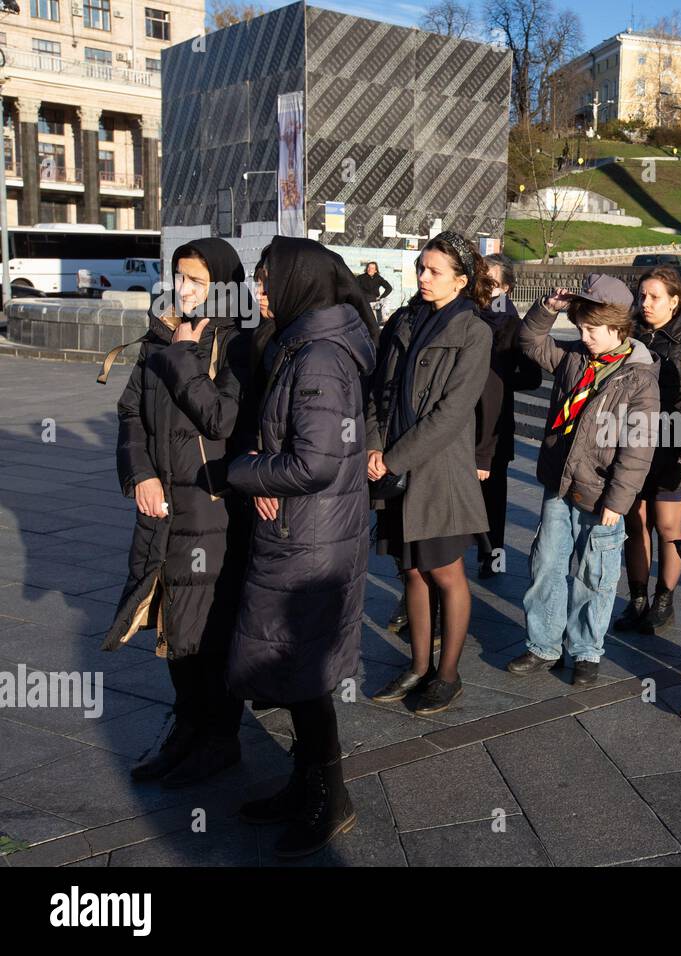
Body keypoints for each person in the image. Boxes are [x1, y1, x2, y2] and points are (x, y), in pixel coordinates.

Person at [225, 237, 377, 858]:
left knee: (306, 674)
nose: (259, 294)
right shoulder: (306, 343)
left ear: (298, 285)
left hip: (311, 537)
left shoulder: (316, 356)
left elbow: (313, 462)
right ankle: (306, 783)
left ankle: (329, 797)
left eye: (266, 282)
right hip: (308, 530)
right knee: (297, 669)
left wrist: (247, 470)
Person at [108, 238, 254, 789]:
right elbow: (130, 414)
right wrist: (139, 474)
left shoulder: (237, 344)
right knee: (168, 622)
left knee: (204, 631)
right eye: (179, 277)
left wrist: (186, 355)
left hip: (210, 509)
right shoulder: (160, 334)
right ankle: (187, 729)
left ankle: (218, 739)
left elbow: (220, 421)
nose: (184, 289)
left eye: (196, 280)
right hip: (161, 506)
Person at [509, 274, 660, 685]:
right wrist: (547, 309)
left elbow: (638, 447)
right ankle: (543, 644)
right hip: (560, 482)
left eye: (592, 329)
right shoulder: (575, 358)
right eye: (581, 328)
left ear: (618, 327)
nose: (585, 336)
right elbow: (530, 342)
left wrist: (618, 501)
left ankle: (587, 651)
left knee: (595, 574)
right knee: (546, 564)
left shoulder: (639, 378)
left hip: (602, 493)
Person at [365, 233, 493, 715]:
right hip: (394, 467)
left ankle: (448, 674)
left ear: (461, 281)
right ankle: (418, 665)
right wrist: (374, 446)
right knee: (411, 571)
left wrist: (394, 457)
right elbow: (378, 390)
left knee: (444, 571)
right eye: (421, 267)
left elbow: (451, 413)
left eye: (434, 271)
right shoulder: (402, 318)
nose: (422, 277)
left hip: (438, 472)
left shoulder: (472, 332)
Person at [614, 267, 681, 633]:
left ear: (675, 301)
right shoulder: (629, 337)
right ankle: (637, 598)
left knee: (668, 525)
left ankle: (664, 599)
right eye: (642, 296)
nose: (645, 303)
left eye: (654, 297)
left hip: (676, 444)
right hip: (633, 444)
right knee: (634, 522)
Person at [472, 253, 543, 579]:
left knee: (493, 495)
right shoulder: (467, 316)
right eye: (481, 280)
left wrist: (494, 379)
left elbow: (532, 377)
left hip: (496, 423)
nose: (484, 288)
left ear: (507, 287)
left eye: (492, 283)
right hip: (461, 421)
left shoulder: (514, 325)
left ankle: (492, 555)